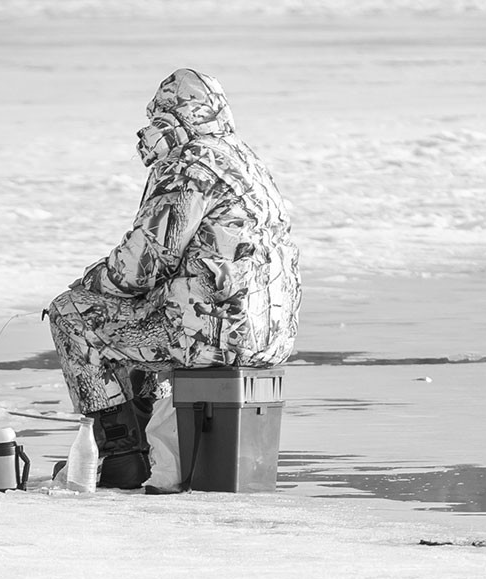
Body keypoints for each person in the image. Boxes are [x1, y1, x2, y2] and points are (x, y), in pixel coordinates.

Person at [46, 68, 300, 488]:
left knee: (72, 315)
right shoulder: (246, 160)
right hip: (264, 334)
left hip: (214, 332)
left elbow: (142, 265)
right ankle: (150, 446)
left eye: (158, 116)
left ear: (174, 120)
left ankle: (120, 453)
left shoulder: (189, 164)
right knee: (146, 317)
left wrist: (88, 285)